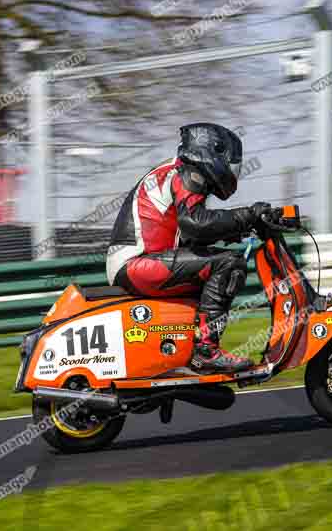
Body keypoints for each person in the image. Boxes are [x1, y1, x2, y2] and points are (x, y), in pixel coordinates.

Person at [106, 123, 270, 374]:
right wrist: (248, 215)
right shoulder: (186, 173)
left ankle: (186, 351)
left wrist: (238, 229)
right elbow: (196, 223)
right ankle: (206, 352)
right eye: (231, 162)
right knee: (229, 264)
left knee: (216, 265)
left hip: (138, 262)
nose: (232, 170)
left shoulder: (175, 172)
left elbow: (188, 234)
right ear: (213, 150)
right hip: (137, 264)